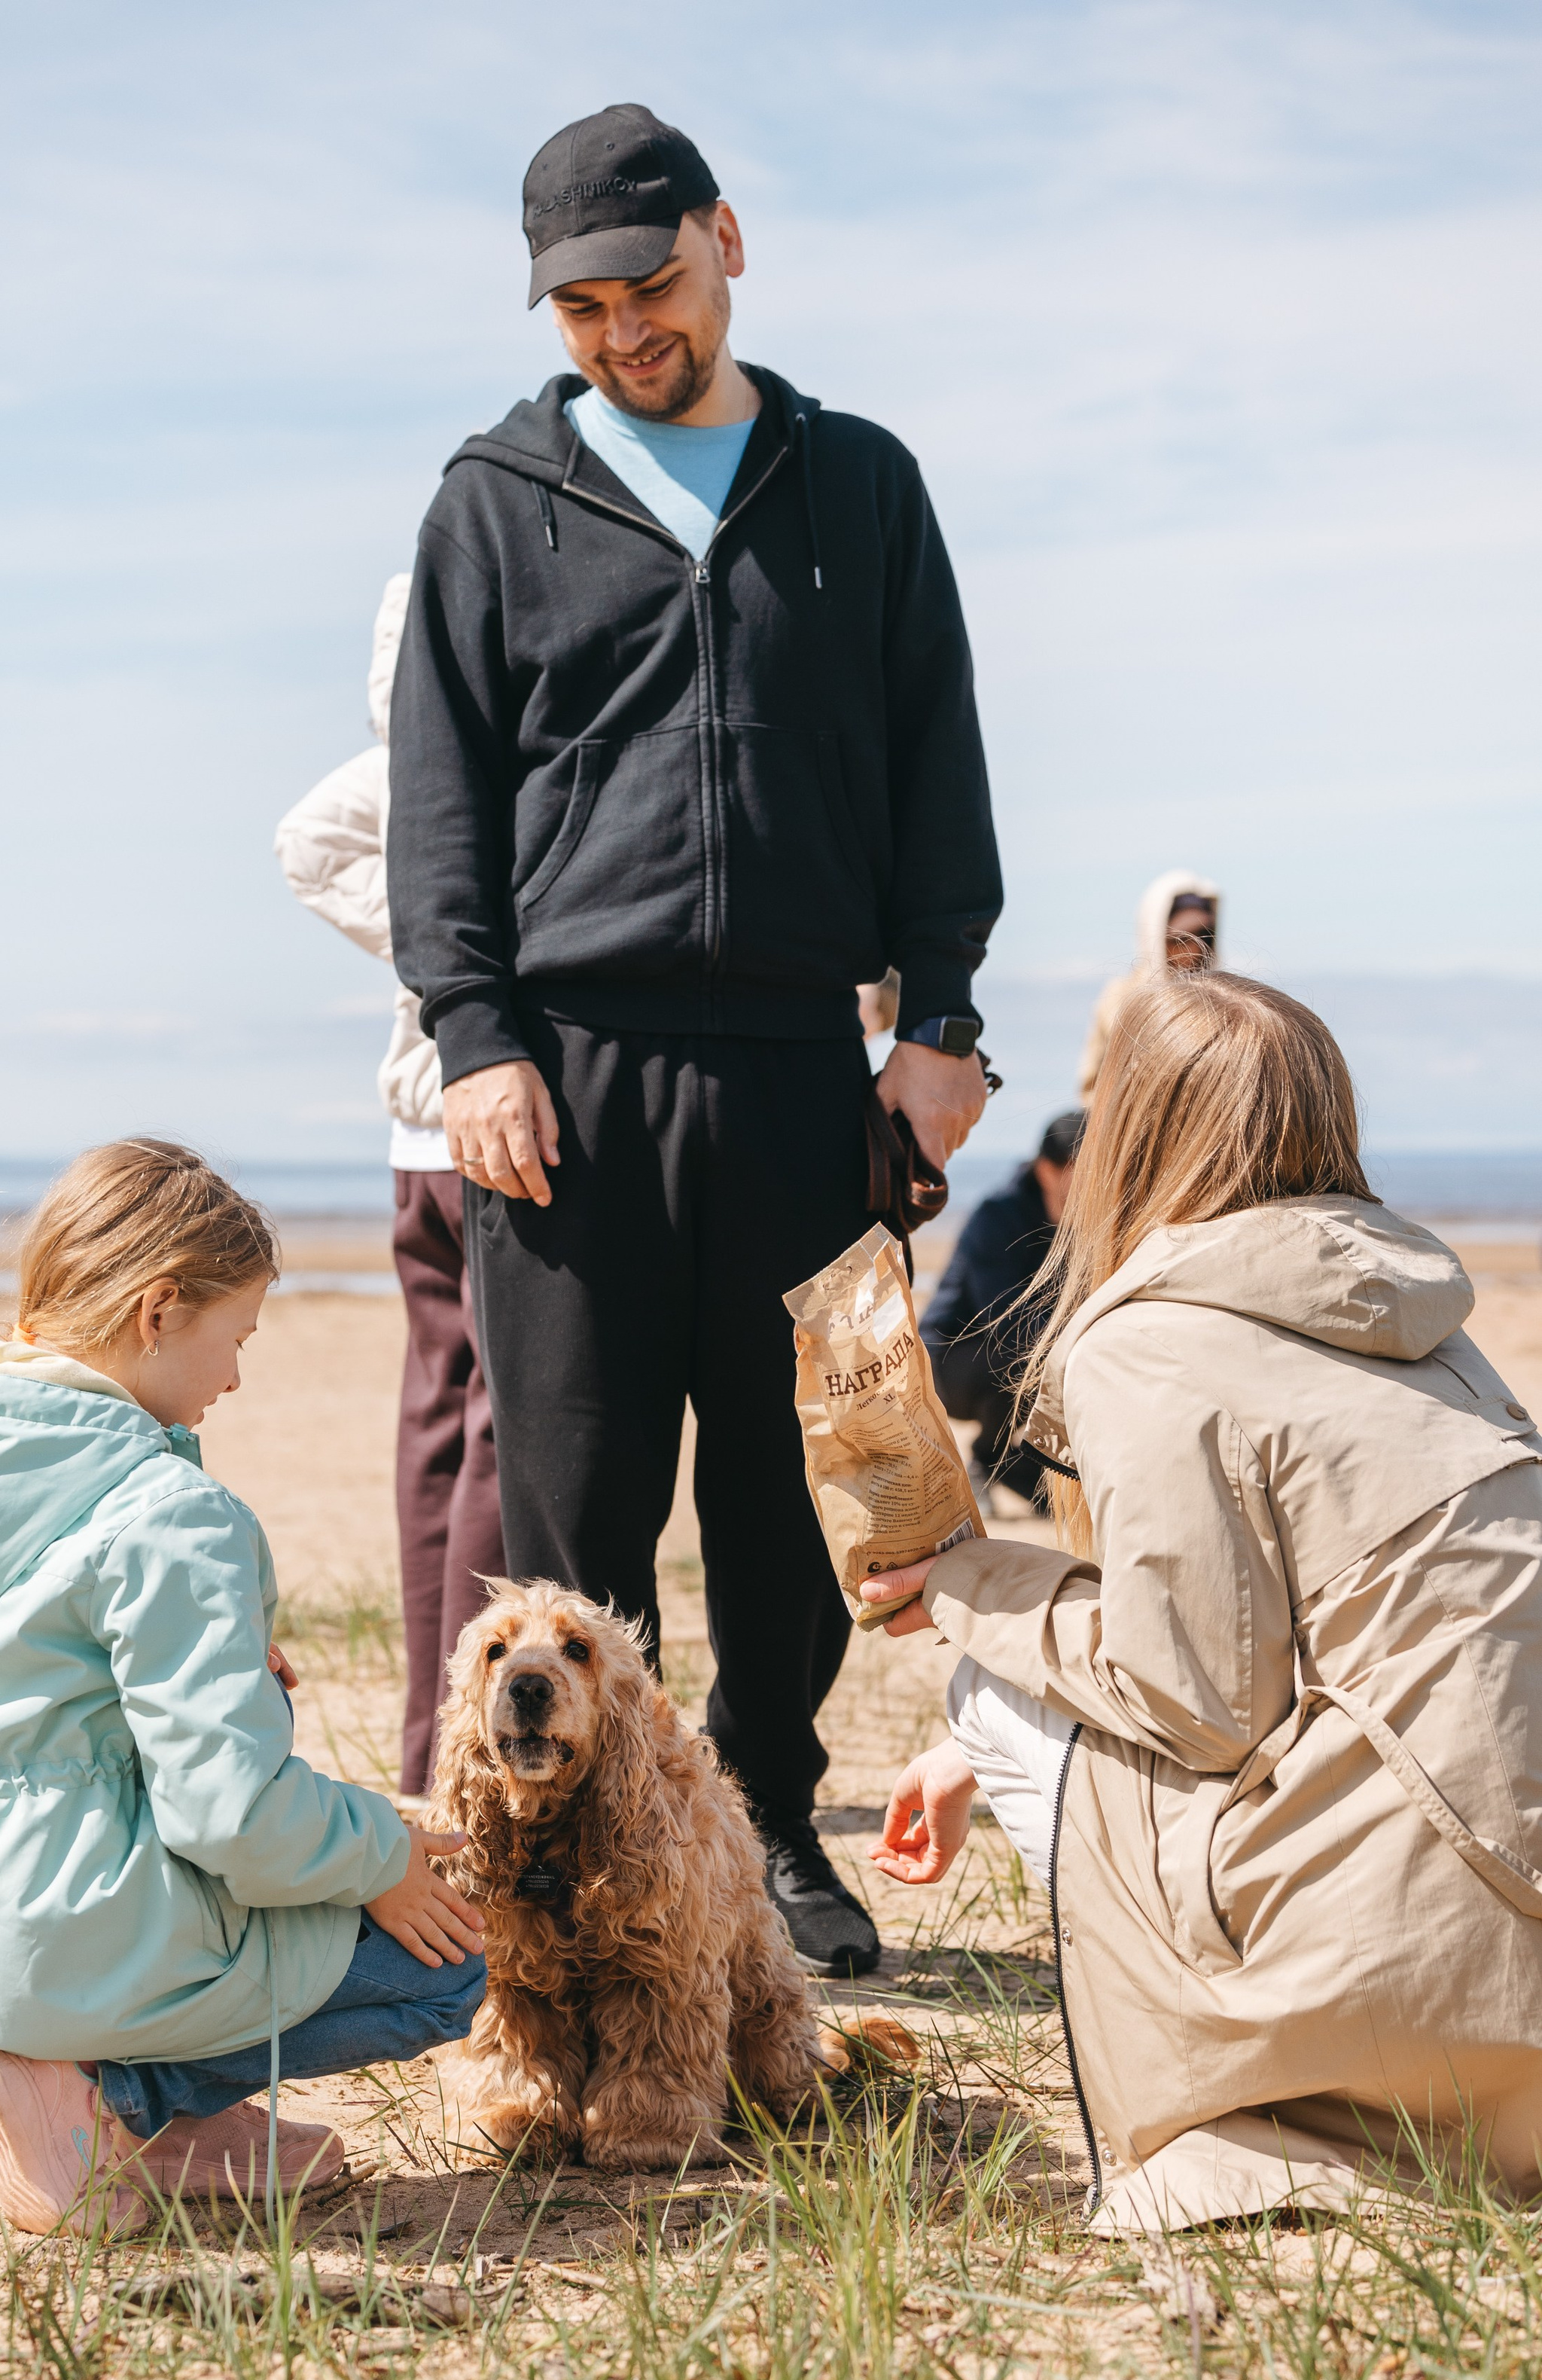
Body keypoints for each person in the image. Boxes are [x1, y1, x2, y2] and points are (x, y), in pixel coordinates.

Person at [386, 103, 1003, 1974]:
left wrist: (944, 1014)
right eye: (576, 304)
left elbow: (933, 767)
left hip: (804, 1077)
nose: (618, 329)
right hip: (560, 1086)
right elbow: (443, 805)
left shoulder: (860, 487)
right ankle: (554, 1882)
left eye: (645, 284)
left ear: (725, 241)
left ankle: (758, 1830)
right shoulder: (491, 502)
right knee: (572, 1514)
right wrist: (477, 1034)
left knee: (778, 1490)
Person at [862, 975, 1542, 2235]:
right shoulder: (1435, 1329)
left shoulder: (1155, 1338)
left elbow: (1201, 1702)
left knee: (991, 1679)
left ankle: (1254, 2095)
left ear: (1132, 1132)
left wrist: (961, 1582)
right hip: (1529, 2025)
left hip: (1407, 2009)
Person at [0, 1140, 487, 2235]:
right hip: (71, 1930)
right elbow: (228, 1813)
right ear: (157, 1311)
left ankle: (131, 2103)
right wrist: (382, 1854)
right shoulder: (168, 1510)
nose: (234, 1376)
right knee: (459, 1960)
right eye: (235, 1337)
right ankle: (111, 2102)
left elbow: (1, 1695)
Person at [274, 576, 507, 1797]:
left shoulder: (427, 770)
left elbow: (311, 842)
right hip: (476, 1126)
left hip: (424, 1135)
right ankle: (457, 1747)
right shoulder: (452, 768)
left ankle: (435, 1744)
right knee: (493, 1435)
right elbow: (306, 837)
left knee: (444, 1423)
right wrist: (466, 951)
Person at [922, 1109, 1084, 1511]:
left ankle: (1006, 1470)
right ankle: (984, 1460)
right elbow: (1006, 1319)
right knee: (1030, 1354)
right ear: (1048, 1171)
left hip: (1016, 1354)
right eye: (1087, 1173)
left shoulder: (1081, 1222)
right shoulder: (997, 1216)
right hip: (949, 1363)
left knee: (1055, 1504)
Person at [1077, 868, 1220, 1098]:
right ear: (1155, 935)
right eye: (1181, 939)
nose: (1194, 952)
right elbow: (1091, 1086)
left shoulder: (1227, 1001)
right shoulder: (1119, 999)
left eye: (1204, 937)